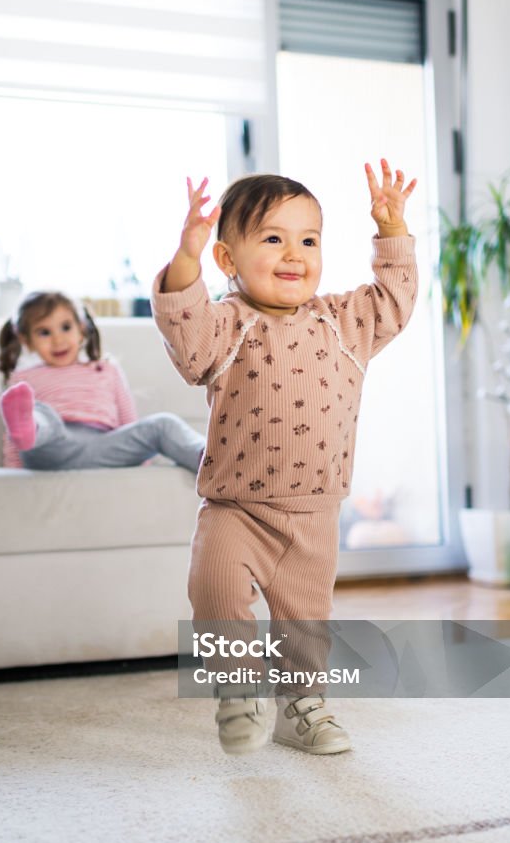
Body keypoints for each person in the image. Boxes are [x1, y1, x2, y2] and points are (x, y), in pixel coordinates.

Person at [151, 161, 418, 756]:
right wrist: (186, 259)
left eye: (308, 240)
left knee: (304, 622)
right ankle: (237, 685)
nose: (293, 253)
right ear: (229, 260)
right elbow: (185, 333)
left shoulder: (344, 322)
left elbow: (395, 302)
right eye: (272, 238)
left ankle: (301, 709)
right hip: (235, 506)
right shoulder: (224, 325)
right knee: (215, 593)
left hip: (313, 512)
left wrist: (392, 228)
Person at [0, 290, 205, 473]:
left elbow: (128, 419)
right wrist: (12, 472)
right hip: (51, 449)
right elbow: (12, 434)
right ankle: (34, 428)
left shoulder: (105, 368)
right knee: (43, 415)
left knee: (163, 423)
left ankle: (213, 462)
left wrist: (140, 463)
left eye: (66, 327)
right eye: (44, 332)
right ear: (26, 340)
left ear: (82, 328)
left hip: (104, 447)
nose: (58, 340)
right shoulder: (22, 378)